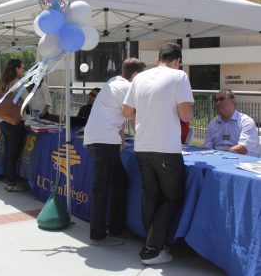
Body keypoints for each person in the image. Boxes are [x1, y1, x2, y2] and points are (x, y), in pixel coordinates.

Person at [123, 42, 194, 265]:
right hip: (166, 148)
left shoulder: (140, 77)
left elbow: (126, 111)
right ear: (177, 61)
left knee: (150, 195)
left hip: (142, 146)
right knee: (172, 198)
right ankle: (152, 249)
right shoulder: (179, 76)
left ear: (157, 59)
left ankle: (152, 244)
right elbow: (187, 116)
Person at [84, 58, 145, 246]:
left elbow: (117, 114)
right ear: (135, 75)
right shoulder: (127, 88)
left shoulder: (113, 82)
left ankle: (116, 229)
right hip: (104, 140)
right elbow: (135, 115)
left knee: (119, 181)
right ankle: (98, 234)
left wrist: (122, 139)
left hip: (101, 139)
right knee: (102, 187)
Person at [0, 59, 29, 192]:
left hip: (3, 120)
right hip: (15, 121)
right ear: (16, 69)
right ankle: (11, 182)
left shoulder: (3, 82)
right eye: (22, 68)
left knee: (8, 152)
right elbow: (27, 98)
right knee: (13, 153)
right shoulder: (17, 83)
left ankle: (7, 179)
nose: (23, 70)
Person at [203, 89, 259, 156]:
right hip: (217, 160)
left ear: (233, 102)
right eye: (216, 100)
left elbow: (243, 148)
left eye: (221, 99)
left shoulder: (246, 122)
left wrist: (219, 154)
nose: (217, 102)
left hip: (243, 163)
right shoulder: (212, 124)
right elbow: (207, 146)